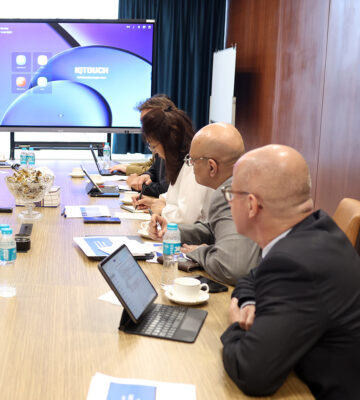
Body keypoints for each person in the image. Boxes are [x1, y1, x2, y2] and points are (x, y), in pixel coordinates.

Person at [221, 144, 360, 398]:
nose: (229, 201)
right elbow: (253, 277)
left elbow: (251, 373)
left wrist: (235, 325)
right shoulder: (316, 229)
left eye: (231, 194)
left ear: (251, 205)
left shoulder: (294, 265)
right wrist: (249, 301)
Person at [148, 123, 261, 284]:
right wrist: (173, 232)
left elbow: (232, 268)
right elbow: (213, 227)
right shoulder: (244, 180)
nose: (190, 165)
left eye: (192, 160)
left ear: (212, 167)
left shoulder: (231, 193)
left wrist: (199, 251)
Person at [132, 105, 213, 224]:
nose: (155, 152)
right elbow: (177, 194)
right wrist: (156, 202)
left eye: (154, 146)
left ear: (168, 142)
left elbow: (186, 218)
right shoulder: (182, 160)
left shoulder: (193, 164)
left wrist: (163, 209)